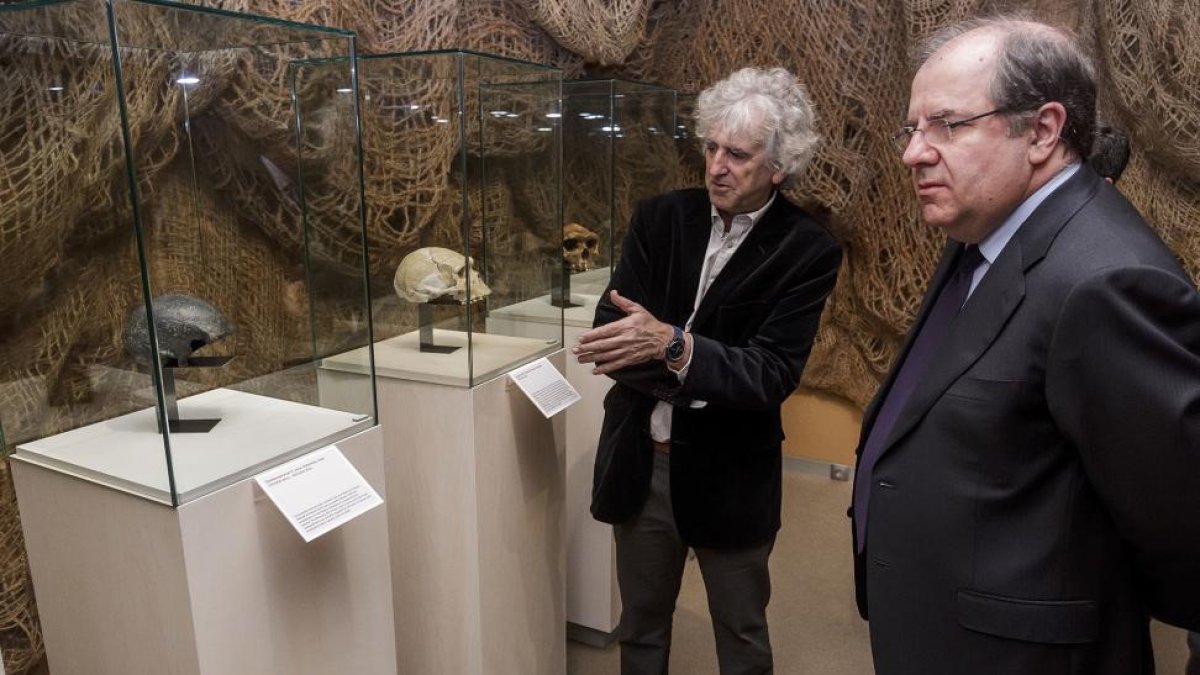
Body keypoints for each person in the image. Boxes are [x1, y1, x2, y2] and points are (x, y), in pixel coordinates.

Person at [851, 15, 1200, 675]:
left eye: (946, 125)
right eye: (912, 128)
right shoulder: (984, 228)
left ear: (1041, 131)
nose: (913, 153)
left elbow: (1182, 526)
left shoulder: (1105, 281)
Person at [574, 66, 841, 674]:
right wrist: (702, 370)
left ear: (779, 166)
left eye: (738, 155)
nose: (717, 166)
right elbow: (610, 336)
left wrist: (671, 345)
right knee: (641, 628)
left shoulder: (807, 250)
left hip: (731, 471)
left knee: (741, 636)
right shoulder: (660, 218)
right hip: (642, 461)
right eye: (711, 147)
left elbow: (770, 376)